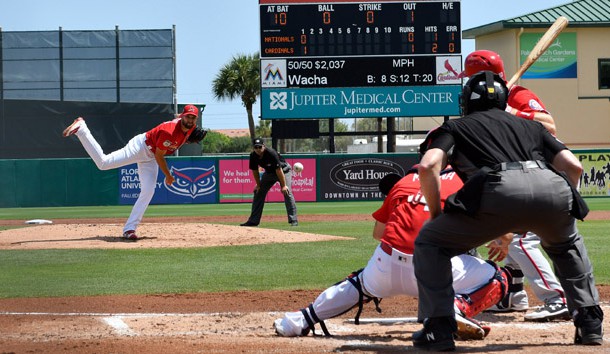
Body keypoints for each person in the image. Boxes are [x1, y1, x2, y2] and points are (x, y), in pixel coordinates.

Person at [413, 70, 603, 351]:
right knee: (566, 245)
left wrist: (436, 217)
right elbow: (573, 166)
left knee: (430, 242)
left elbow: (429, 166)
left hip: (495, 189)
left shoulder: (455, 127)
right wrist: (561, 208)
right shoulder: (532, 126)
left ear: (466, 102)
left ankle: (438, 328)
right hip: (551, 185)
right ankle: (589, 323)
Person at [273, 166, 514, 340]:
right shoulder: (464, 178)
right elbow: (495, 221)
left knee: (359, 285)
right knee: (498, 277)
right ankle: (456, 308)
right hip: (433, 270)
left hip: (386, 265)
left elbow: (379, 233)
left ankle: (299, 321)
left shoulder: (404, 182)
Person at [462, 50, 569, 322]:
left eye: (469, 77)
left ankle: (557, 298)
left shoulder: (518, 94)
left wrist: (513, 110)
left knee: (521, 240)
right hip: (517, 176)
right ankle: (514, 294)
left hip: (539, 173)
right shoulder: (484, 100)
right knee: (508, 235)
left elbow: (551, 126)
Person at [62, 105, 205, 240]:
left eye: (193, 117)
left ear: (196, 119)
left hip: (150, 156)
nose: (190, 120)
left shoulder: (190, 129)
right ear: (182, 117)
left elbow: (177, 129)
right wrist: (168, 175)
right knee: (103, 163)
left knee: (148, 191)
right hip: (141, 148)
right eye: (187, 117)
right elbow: (159, 156)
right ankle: (82, 129)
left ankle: (129, 229)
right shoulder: (169, 131)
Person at [240, 138, 298, 227]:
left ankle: (293, 220)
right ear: (253, 148)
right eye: (256, 147)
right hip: (269, 173)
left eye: (260, 147)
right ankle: (253, 221)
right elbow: (255, 171)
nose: (258, 149)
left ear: (264, 146)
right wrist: (259, 185)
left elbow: (279, 170)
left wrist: (283, 186)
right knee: (258, 192)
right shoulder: (253, 156)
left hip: (284, 171)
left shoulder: (271, 153)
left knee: (287, 192)